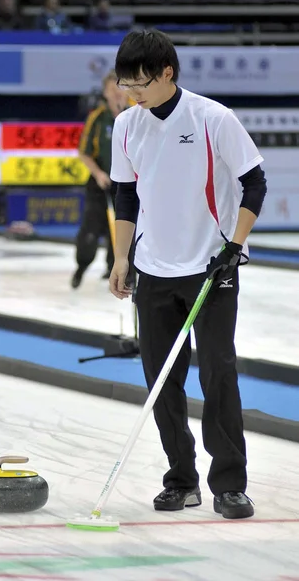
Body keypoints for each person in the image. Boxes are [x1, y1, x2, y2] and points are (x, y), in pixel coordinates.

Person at [109, 29, 267, 519]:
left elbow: (254, 183)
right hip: (153, 268)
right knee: (161, 380)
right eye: (126, 86)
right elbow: (125, 195)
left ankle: (229, 484)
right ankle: (181, 479)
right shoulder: (126, 126)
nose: (132, 96)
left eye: (140, 85)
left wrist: (234, 246)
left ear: (167, 74)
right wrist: (121, 258)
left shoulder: (211, 118)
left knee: (218, 373)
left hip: (209, 268)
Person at [71, 70, 130, 289]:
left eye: (120, 89)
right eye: (112, 90)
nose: (117, 94)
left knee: (126, 229)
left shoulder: (137, 114)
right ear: (105, 93)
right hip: (101, 182)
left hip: (128, 185)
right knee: (92, 228)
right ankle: (81, 266)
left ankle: (120, 271)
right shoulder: (97, 117)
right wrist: (98, 174)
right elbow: (84, 152)